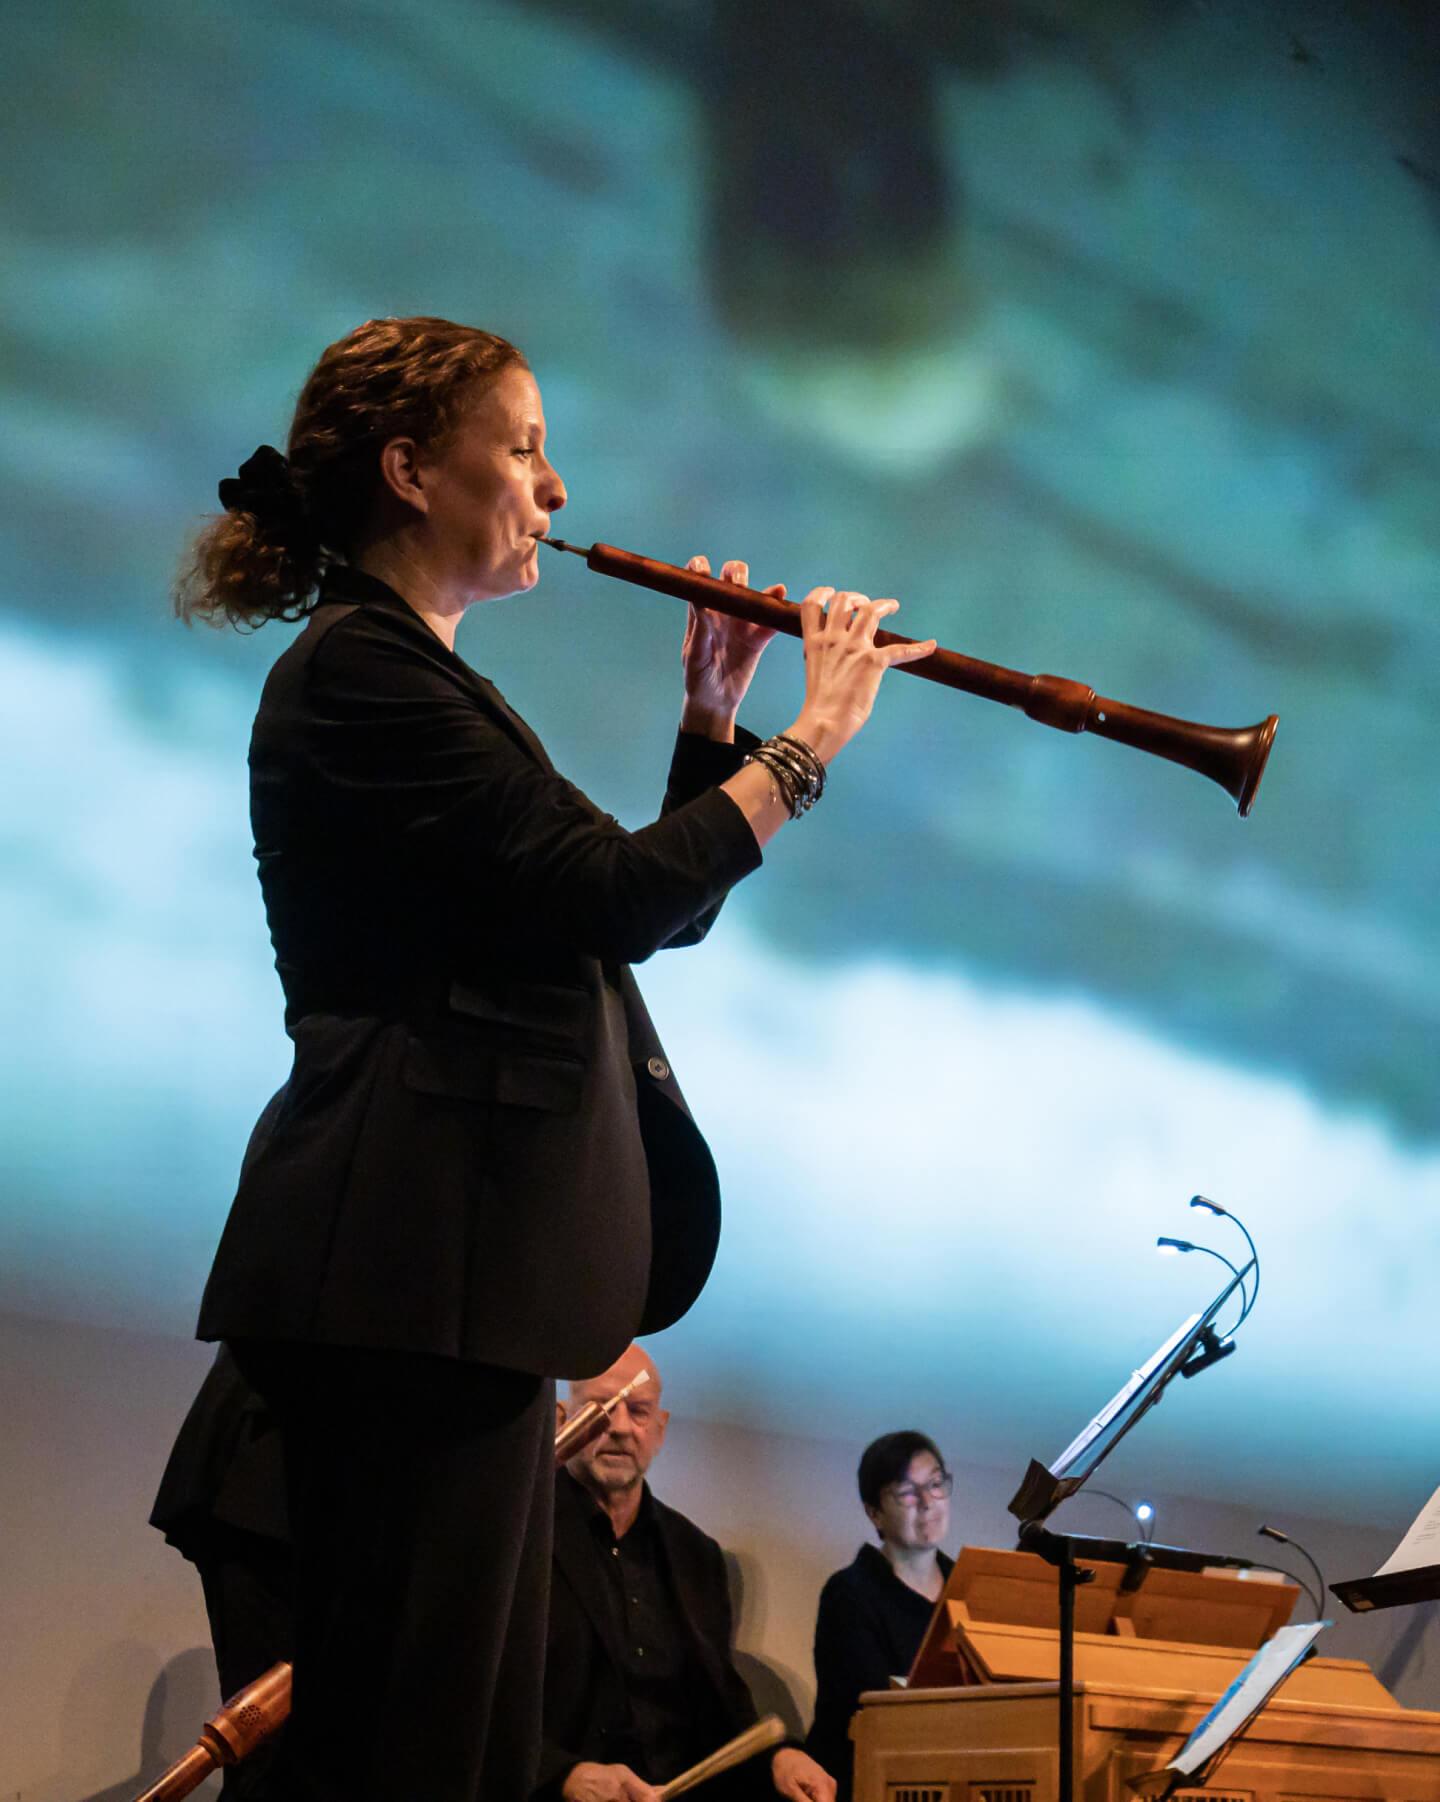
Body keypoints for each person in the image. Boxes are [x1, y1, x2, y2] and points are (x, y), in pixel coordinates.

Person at [174, 314, 932, 1802]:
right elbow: (611, 898)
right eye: (522, 448)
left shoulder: (429, 683)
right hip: (405, 1276)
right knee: (409, 1754)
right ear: (410, 469)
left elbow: (616, 912)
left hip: (455, 1282)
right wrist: (813, 735)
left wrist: (715, 719)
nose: (558, 486)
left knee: (444, 1744)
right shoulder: (361, 675)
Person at [539, 1345, 835, 1802]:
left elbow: (720, 1707)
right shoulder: (521, 1536)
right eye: (599, 1410)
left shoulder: (696, 1554)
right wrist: (563, 1776)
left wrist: (777, 1756)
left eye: (638, 1412)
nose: (618, 1428)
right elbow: (471, 1697)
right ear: (562, 1419)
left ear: (660, 1430)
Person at [807, 1433, 955, 1801]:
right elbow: (871, 1711)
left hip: (952, 1778)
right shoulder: (850, 1593)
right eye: (907, 1492)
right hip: (862, 1784)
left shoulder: (970, 1590)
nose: (927, 1503)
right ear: (874, 1512)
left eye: (935, 1484)